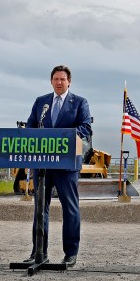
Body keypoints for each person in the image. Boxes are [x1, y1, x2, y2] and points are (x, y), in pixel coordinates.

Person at [25, 64, 92, 267]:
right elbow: (30, 126)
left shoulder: (80, 102)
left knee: (70, 208)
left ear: (69, 81)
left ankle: (70, 253)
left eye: (63, 79)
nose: (59, 82)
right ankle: (38, 252)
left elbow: (85, 127)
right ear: (51, 81)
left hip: (67, 164)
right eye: (56, 79)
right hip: (42, 164)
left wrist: (66, 136)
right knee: (40, 208)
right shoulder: (41, 102)